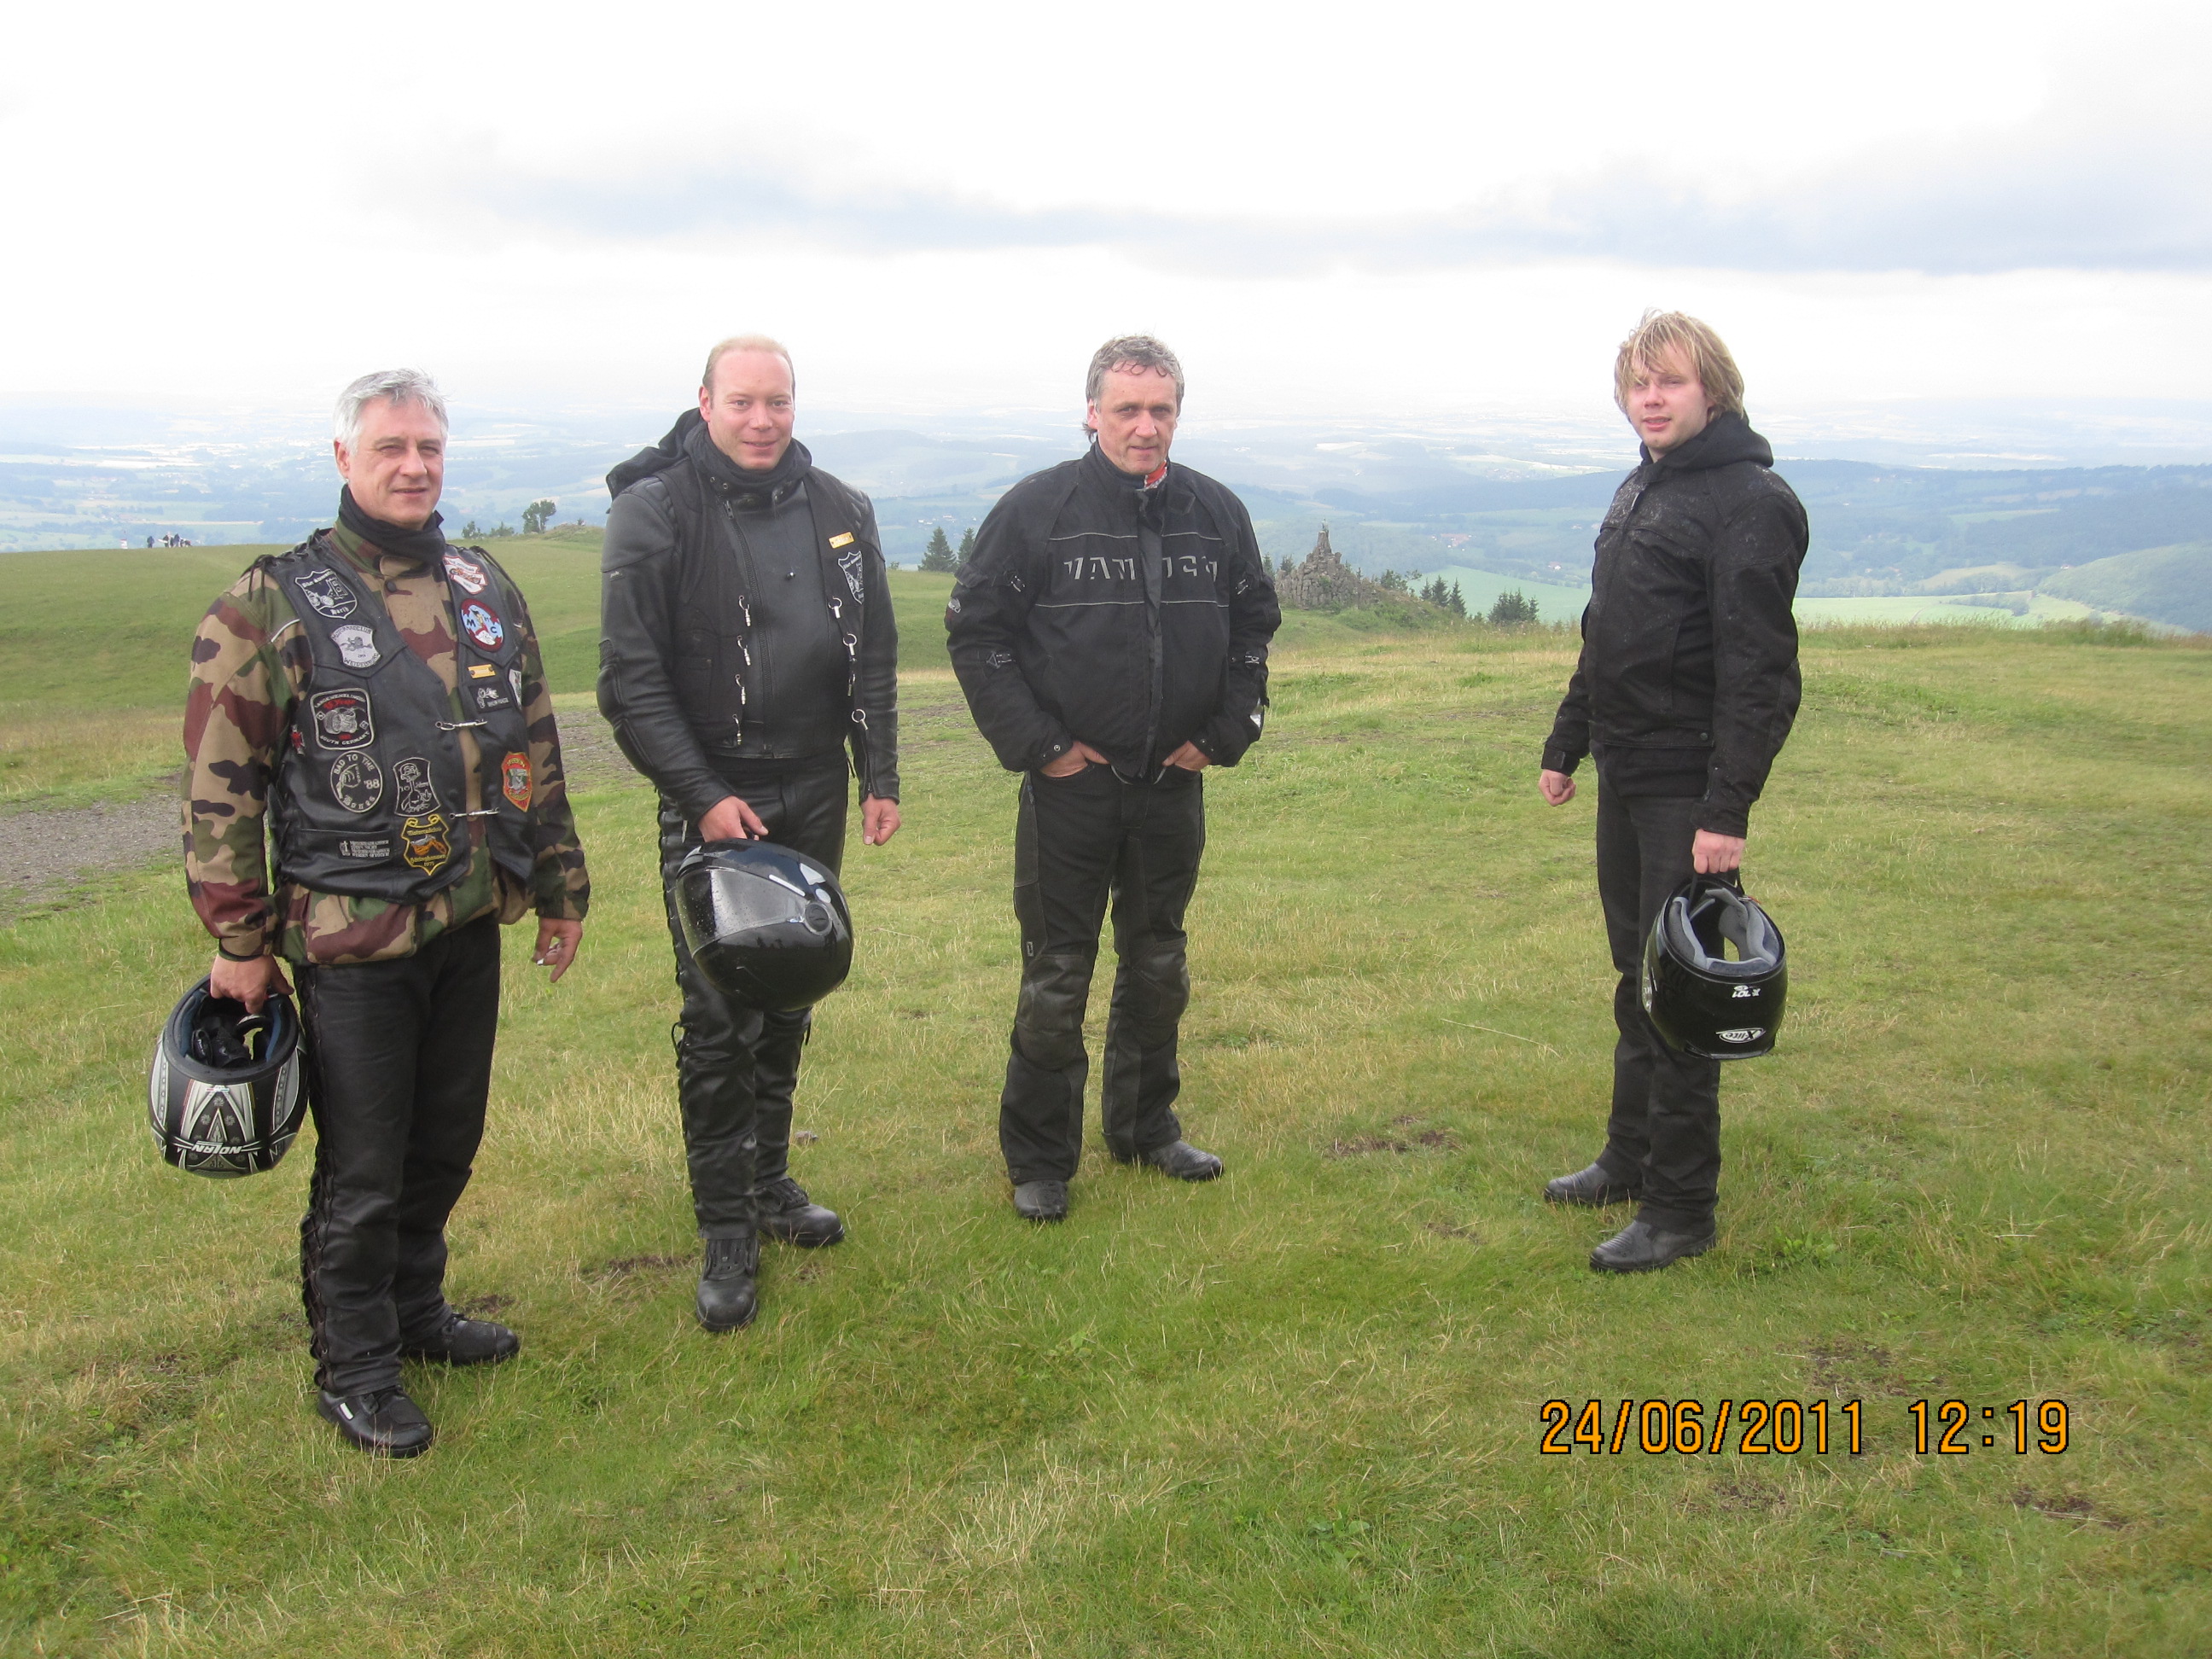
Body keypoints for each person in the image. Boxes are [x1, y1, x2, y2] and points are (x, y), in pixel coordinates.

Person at [183, 369, 591, 1455]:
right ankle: (355, 1365)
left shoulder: (484, 587)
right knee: (364, 1166)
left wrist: (559, 887)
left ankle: (416, 1312)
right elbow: (222, 786)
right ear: (344, 459)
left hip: (467, 918)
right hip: (351, 939)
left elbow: (533, 746)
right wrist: (239, 941)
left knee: (446, 1140)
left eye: (429, 448)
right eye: (391, 448)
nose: (414, 467)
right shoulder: (270, 604)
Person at [597, 335, 900, 1331]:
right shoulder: (655, 511)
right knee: (720, 1012)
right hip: (716, 797)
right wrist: (699, 795)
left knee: (792, 989)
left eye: (779, 401)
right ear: (705, 403)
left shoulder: (841, 509)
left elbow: (873, 653)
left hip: (814, 785)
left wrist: (878, 774)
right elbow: (630, 682)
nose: (762, 420)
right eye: (742, 402)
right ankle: (726, 1228)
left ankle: (769, 1181)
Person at [946, 335, 1281, 1222]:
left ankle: (1144, 1128)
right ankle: (1040, 1160)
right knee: (1057, 977)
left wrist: (1224, 734)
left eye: (1161, 409)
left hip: (1172, 784)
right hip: (1069, 790)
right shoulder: (1038, 510)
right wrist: (1040, 745)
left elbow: (1254, 626)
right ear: (1091, 412)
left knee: (1159, 962)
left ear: (1178, 414)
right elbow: (977, 634)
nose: (1145, 426)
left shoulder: (1215, 513)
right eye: (1127, 409)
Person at [1537, 311, 1809, 1272]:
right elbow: (1606, 629)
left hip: (1686, 787)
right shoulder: (1645, 485)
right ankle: (1631, 1156)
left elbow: (1761, 673)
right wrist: (1569, 741)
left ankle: (1682, 1208)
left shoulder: (1750, 501)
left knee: (1683, 988)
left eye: (1671, 382)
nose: (1650, 400)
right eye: (1638, 384)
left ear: (1713, 390)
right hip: (1627, 770)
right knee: (1636, 973)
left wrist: (1725, 810)